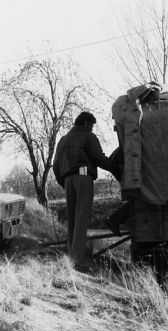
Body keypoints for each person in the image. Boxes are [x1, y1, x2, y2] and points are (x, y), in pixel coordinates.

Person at [53, 111, 118, 272]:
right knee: (81, 220)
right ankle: (78, 262)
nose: (92, 129)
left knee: (73, 221)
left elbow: (55, 165)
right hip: (83, 178)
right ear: (86, 123)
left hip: (67, 180)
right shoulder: (88, 136)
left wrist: (64, 181)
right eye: (92, 125)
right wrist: (116, 167)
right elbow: (98, 158)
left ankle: (72, 258)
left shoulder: (62, 140)